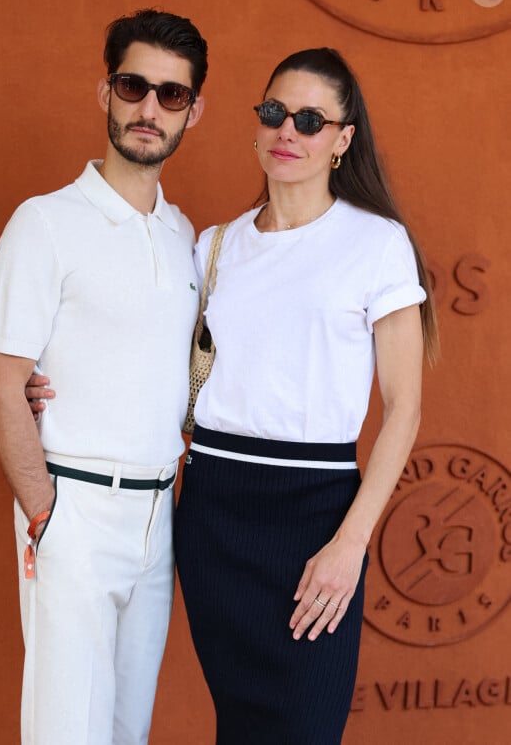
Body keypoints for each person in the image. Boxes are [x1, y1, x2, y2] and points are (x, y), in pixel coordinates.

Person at [172, 48, 438, 745]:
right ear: (256, 126)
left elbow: (404, 408)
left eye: (311, 119)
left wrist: (351, 542)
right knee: (240, 725)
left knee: (302, 728)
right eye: (274, 113)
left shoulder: (377, 244)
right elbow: (162, 371)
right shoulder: (214, 247)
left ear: (343, 140)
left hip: (317, 513)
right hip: (214, 512)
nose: (288, 131)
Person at [0, 9, 207, 745]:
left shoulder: (184, 238)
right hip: (71, 503)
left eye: (170, 95)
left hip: (156, 516)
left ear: (193, 111)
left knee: (123, 730)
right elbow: (2, 382)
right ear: (104, 92)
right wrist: (46, 513)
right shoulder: (44, 223)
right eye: (134, 86)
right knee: (64, 731)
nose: (150, 109)